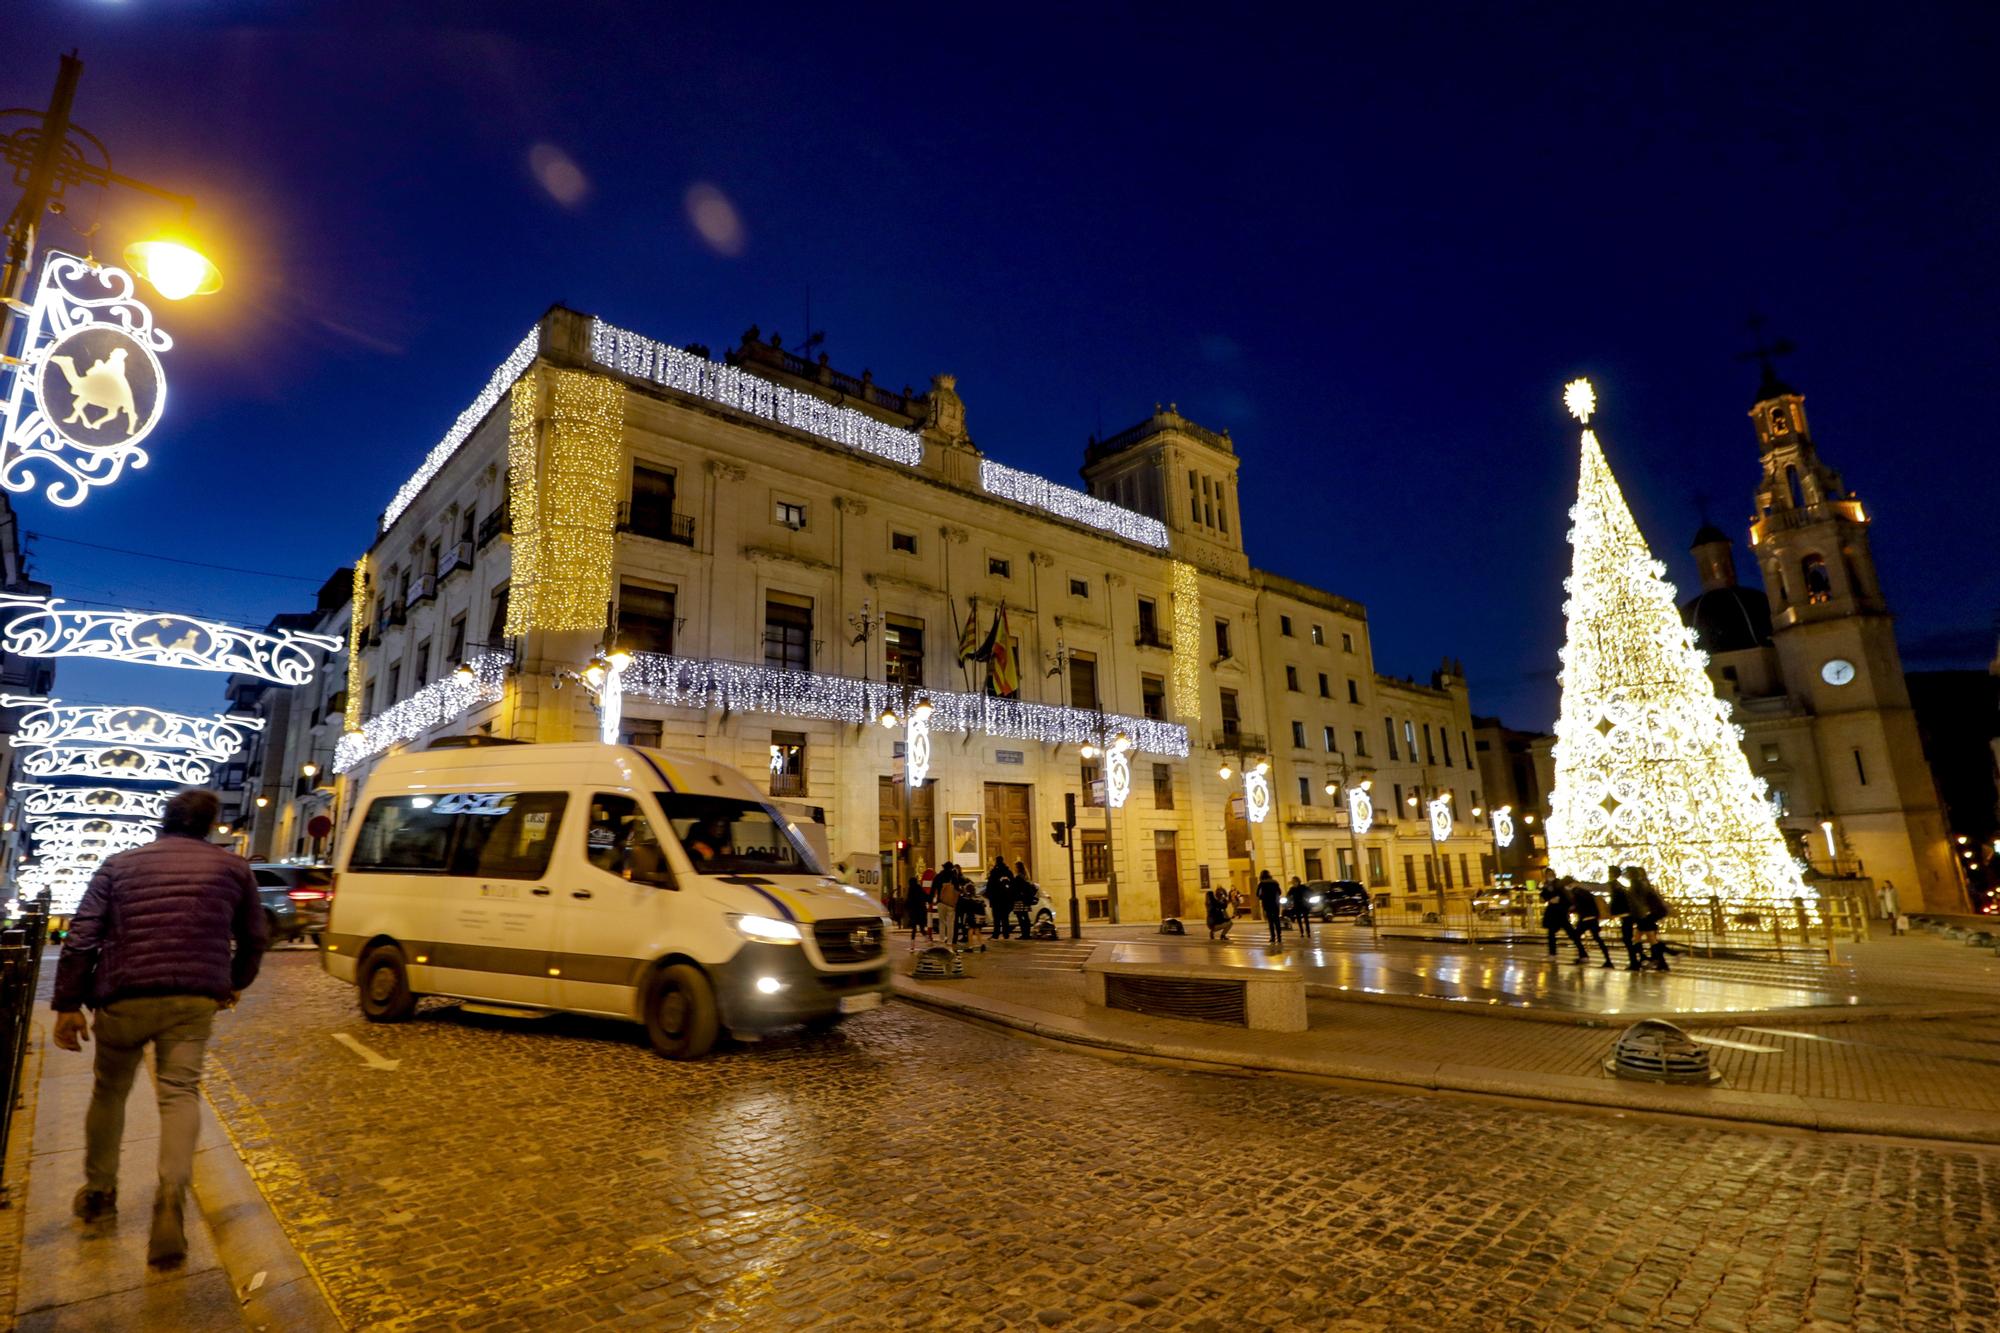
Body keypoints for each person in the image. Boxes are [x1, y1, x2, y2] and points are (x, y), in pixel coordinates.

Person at [51, 789, 267, 1266]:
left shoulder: (118, 864)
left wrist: (67, 1003)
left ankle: (100, 1191)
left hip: (123, 995)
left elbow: (82, 934)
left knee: (109, 1092)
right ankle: (171, 1196)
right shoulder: (232, 869)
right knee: (180, 1093)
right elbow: (255, 936)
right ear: (210, 826)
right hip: (192, 998)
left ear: (164, 821)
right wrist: (234, 982)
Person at [1625, 864, 1672, 971]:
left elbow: (1639, 903)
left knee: (1649, 939)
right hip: (1648, 915)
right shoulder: (1642, 884)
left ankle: (1660, 960)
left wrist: (1640, 916)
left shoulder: (1638, 885)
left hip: (1646, 916)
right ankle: (1652, 960)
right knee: (1646, 939)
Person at [1567, 876, 1614, 966]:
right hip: (1593, 918)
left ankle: (1583, 955)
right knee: (1598, 939)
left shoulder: (1576, 892)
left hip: (1585, 918)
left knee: (1575, 936)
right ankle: (1608, 960)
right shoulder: (1586, 892)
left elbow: (1577, 906)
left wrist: (1571, 909)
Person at [1605, 871, 1643, 971]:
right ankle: (1639, 959)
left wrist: (1612, 914)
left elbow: (1614, 905)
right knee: (1630, 940)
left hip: (1626, 917)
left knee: (1627, 940)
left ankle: (1636, 961)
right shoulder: (1623, 890)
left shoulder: (1617, 892)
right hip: (1629, 916)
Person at [1540, 879, 1582, 959]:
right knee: (1553, 934)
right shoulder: (1555, 890)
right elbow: (1544, 896)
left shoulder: (1560, 890)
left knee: (1569, 934)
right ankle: (1553, 953)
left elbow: (1567, 901)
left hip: (1559, 915)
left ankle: (1582, 953)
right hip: (1556, 916)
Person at [987, 859, 1017, 940]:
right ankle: (1006, 934)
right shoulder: (1008, 872)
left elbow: (990, 886)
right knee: (1005, 918)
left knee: (996, 918)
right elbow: (1013, 886)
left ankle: (996, 934)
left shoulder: (994, 872)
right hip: (1006, 900)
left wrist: (990, 897)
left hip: (996, 899)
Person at [937, 866, 962, 954]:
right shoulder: (954, 878)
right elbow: (958, 891)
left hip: (942, 902)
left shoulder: (940, 876)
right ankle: (949, 941)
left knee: (942, 922)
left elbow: (936, 888)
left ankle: (941, 939)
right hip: (951, 904)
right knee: (950, 923)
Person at [1257, 870, 1284, 947]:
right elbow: (1280, 892)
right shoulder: (1275, 882)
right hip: (1275, 904)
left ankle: (1273, 937)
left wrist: (1263, 897)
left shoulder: (1262, 884)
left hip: (1266, 904)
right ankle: (1279, 937)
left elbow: (1258, 894)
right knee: (1276, 920)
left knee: (1270, 921)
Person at [904, 872, 931, 948]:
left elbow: (908, 902)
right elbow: (926, 897)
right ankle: (928, 941)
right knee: (922, 928)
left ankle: (912, 945)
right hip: (921, 911)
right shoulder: (919, 889)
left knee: (914, 929)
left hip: (913, 913)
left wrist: (907, 910)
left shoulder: (910, 890)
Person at [1011, 861, 1036, 939]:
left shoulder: (1018, 877)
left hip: (1019, 900)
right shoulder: (1025, 876)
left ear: (1018, 868)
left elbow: (1015, 889)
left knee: (1021, 918)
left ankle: (1024, 934)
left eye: (1015, 867)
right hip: (1025, 900)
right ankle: (1027, 933)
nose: (1014, 868)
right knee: (1025, 917)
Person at [1287, 877, 1314, 944]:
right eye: (1293, 882)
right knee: (1298, 919)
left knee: (1306, 919)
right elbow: (1288, 895)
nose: (1293, 883)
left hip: (1303, 904)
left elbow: (1310, 892)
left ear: (1298, 881)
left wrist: (1308, 897)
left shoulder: (1303, 887)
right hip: (1296, 905)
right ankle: (1301, 932)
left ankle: (1308, 932)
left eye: (1294, 881)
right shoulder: (1292, 889)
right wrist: (1288, 899)